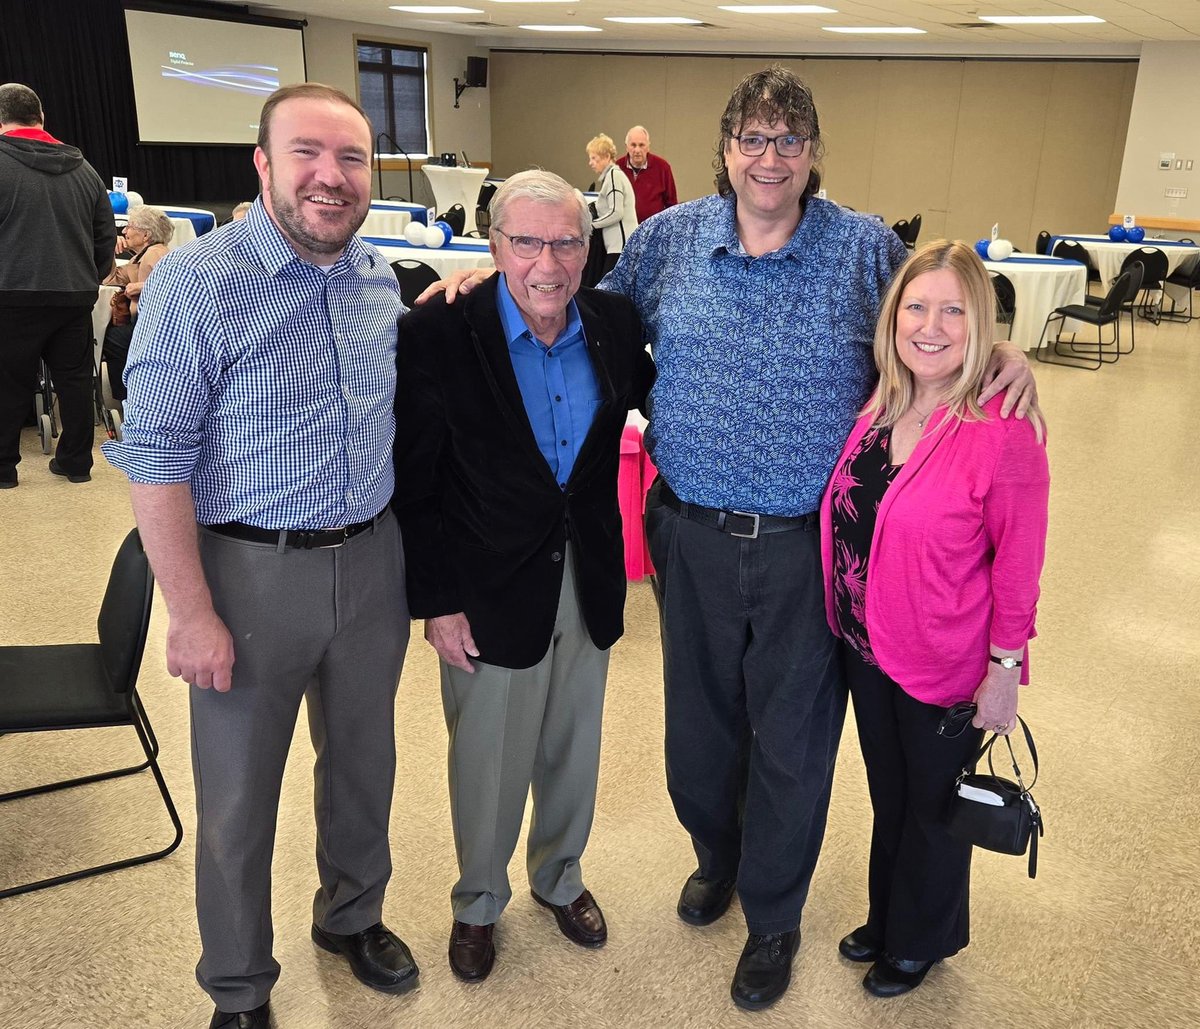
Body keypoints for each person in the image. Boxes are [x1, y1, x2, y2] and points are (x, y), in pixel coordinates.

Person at [420, 65, 1035, 1013]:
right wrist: (489, 278)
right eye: (752, 137)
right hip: (690, 534)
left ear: (813, 153)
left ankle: (776, 914)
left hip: (805, 546)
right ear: (726, 149)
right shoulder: (669, 242)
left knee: (792, 741)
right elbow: (574, 305)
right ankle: (719, 858)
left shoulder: (863, 248)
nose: (770, 156)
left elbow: (934, 318)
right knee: (698, 738)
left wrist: (1003, 351)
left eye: (789, 140)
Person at [102, 83, 415, 1029]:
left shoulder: (376, 278)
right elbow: (154, 459)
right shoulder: (198, 284)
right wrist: (190, 612)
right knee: (238, 800)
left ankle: (351, 915)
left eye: (352, 158)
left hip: (372, 563)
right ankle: (238, 985)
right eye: (308, 153)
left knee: (364, 762)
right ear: (264, 165)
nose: (331, 176)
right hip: (246, 575)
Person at [392, 170, 654, 985]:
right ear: (495, 245)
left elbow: (677, 387)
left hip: (588, 573)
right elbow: (416, 480)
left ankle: (559, 876)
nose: (550, 260)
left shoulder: (613, 322)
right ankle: (477, 900)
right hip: (486, 581)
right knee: (488, 754)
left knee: (574, 743)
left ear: (589, 248)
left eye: (567, 241)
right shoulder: (442, 329)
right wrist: (436, 603)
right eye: (528, 240)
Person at [819, 239, 1049, 998]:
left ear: (979, 322)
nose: (931, 324)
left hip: (946, 659)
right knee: (894, 797)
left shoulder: (1002, 427)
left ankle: (922, 938)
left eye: (954, 309)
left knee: (936, 809)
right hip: (866, 644)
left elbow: (1018, 563)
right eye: (917, 305)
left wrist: (1006, 669)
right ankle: (891, 915)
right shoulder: (882, 401)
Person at [0, 82, 114, 488]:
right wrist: (89, 276)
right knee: (75, 381)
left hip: (11, 294)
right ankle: (76, 463)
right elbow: (106, 239)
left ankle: (4, 471)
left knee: (8, 384)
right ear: (41, 118)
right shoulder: (86, 171)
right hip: (74, 294)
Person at [101, 204, 173, 402]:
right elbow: (109, 280)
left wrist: (141, 286)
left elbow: (171, 283)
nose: (124, 231)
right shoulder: (138, 257)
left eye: (129, 226)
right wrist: (110, 250)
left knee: (113, 339)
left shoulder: (156, 253)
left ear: (146, 235)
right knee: (113, 336)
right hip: (143, 321)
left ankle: (128, 396)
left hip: (156, 326)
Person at [586, 133, 638, 282]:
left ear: (607, 157)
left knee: (609, 288)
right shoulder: (612, 176)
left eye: (594, 158)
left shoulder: (614, 176)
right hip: (616, 247)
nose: (590, 162)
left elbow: (616, 212)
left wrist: (591, 225)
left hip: (620, 247)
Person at [616, 125, 677, 223]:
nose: (637, 150)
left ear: (648, 147)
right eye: (633, 145)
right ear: (627, 147)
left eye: (641, 145)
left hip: (653, 230)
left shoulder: (662, 167)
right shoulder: (617, 168)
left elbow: (672, 204)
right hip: (624, 229)